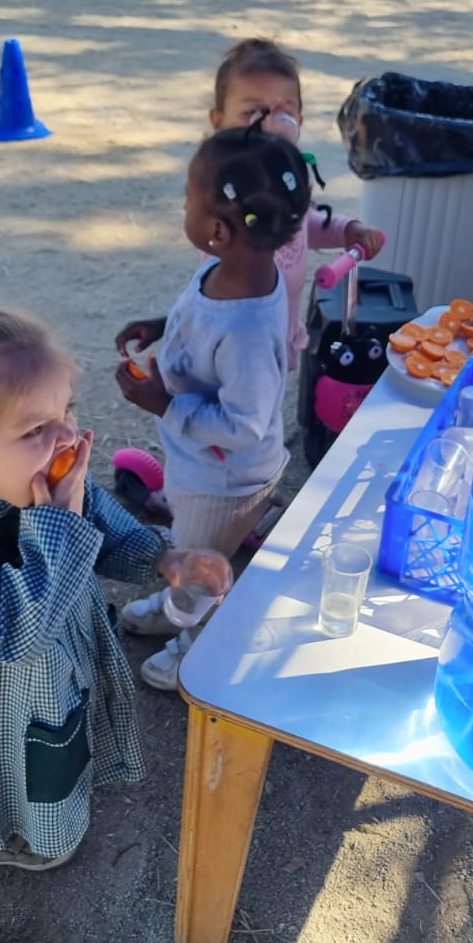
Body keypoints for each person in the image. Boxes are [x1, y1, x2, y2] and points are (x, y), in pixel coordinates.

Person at [0, 291, 228, 943]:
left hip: (47, 685)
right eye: (35, 430)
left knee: (49, 764)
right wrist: (57, 525)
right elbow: (12, 631)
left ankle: (34, 826)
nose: (67, 437)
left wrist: (166, 558)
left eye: (65, 411)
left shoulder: (48, 481)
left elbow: (99, 517)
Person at [113, 121, 313, 689]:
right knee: (190, 547)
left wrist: (162, 405)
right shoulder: (232, 266)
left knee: (207, 564)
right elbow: (200, 316)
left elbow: (244, 426)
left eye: (187, 201)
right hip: (203, 469)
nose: (183, 209)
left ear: (220, 229)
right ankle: (181, 596)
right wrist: (162, 324)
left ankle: (198, 640)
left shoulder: (247, 329)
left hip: (224, 480)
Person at [206, 38, 385, 362]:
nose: (269, 124)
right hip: (236, 332)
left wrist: (347, 230)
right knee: (244, 409)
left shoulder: (290, 175)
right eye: (252, 112)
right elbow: (208, 233)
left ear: (298, 123)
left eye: (284, 112)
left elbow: (301, 223)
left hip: (279, 330)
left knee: (265, 403)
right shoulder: (222, 180)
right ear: (218, 123)